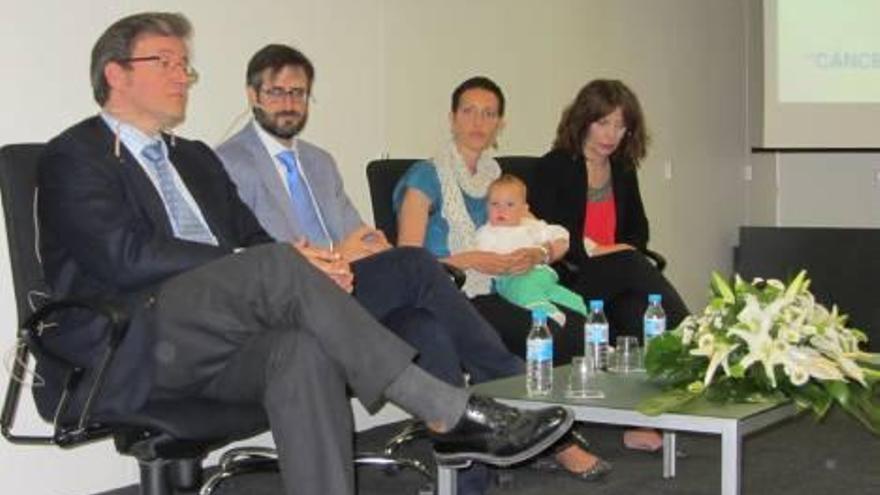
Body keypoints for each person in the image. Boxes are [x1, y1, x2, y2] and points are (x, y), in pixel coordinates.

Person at [35, 13, 573, 495]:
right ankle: (446, 409)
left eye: (186, 65)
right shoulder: (75, 155)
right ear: (115, 73)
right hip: (139, 339)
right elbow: (124, 257)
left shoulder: (195, 159)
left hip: (237, 333)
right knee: (277, 264)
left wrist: (314, 269)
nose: (184, 76)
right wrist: (276, 264)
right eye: (167, 62)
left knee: (315, 339)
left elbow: (256, 238)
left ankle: (504, 393)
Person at [216, 44, 525, 492]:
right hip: (292, 304)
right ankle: (510, 381)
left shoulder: (319, 162)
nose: (289, 103)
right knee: (416, 264)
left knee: (424, 327)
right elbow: (260, 257)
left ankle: (467, 482)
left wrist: (357, 249)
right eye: (277, 91)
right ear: (253, 95)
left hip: (346, 291)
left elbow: (364, 235)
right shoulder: (229, 163)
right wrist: (339, 254)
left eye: (299, 93)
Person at [394, 76, 611, 481]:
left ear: (500, 124)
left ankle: (533, 436)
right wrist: (472, 258)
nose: (478, 121)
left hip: (503, 288)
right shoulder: (425, 177)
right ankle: (557, 445)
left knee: (576, 326)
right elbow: (408, 258)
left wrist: (537, 252)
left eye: (489, 113)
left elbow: (546, 232)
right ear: (452, 118)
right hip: (450, 293)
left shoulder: (499, 181)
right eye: (468, 111)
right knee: (537, 329)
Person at [530, 78, 690, 452]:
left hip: (613, 277)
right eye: (603, 123)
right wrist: (612, 252)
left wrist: (619, 251)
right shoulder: (555, 166)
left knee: (640, 313)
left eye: (620, 126)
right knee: (632, 264)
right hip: (569, 277)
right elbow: (554, 235)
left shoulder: (622, 168)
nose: (611, 135)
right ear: (583, 121)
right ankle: (696, 337)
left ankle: (640, 421)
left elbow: (638, 230)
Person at [475, 174, 587, 324]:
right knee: (526, 291)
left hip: (543, 275)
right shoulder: (486, 232)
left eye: (510, 204)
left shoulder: (531, 225)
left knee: (574, 299)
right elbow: (482, 259)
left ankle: (588, 324)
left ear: (524, 209)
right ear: (486, 207)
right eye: (494, 204)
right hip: (513, 278)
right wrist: (504, 265)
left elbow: (559, 233)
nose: (501, 210)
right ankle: (546, 313)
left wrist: (554, 241)